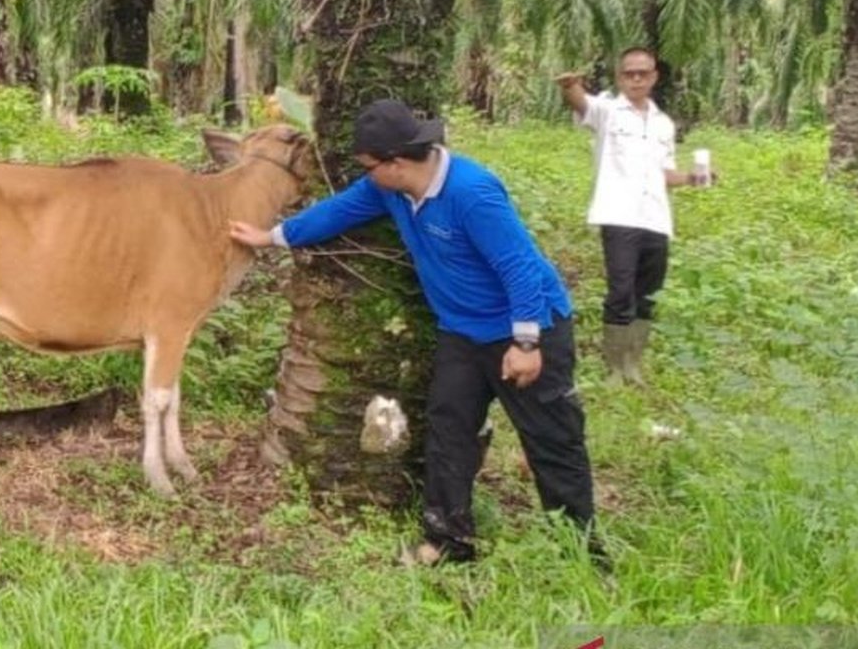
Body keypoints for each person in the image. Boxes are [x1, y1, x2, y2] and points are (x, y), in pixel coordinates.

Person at [229, 99, 598, 566]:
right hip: (461, 333)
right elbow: (338, 211)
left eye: (368, 166)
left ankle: (582, 553)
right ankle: (448, 542)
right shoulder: (390, 190)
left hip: (526, 328)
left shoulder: (472, 192)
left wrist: (525, 342)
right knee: (449, 431)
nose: (365, 175)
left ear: (397, 163)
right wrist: (274, 236)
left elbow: (519, 265)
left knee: (551, 438)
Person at [556, 47, 711, 386]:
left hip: (655, 217)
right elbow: (581, 102)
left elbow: (665, 173)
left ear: (654, 76)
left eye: (643, 73)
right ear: (620, 77)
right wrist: (570, 86)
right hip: (619, 214)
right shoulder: (608, 111)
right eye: (630, 73)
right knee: (620, 290)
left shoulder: (663, 124)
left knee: (648, 292)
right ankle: (614, 367)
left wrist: (692, 178)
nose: (637, 79)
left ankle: (633, 365)